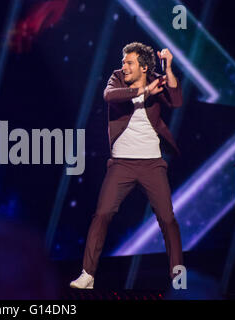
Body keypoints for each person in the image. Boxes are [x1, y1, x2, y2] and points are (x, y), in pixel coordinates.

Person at [70, 42, 183, 289]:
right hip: (121, 164)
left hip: (152, 164)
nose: (124, 66)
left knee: (167, 219)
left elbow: (176, 100)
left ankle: (178, 277)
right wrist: (143, 92)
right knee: (102, 215)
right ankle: (88, 274)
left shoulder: (157, 79)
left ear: (143, 67)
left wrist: (170, 68)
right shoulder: (118, 79)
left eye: (129, 62)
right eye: (123, 62)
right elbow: (109, 96)